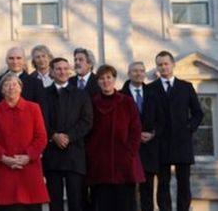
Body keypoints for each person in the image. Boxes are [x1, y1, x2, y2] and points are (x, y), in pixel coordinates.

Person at [0, 73, 49, 211]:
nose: (11, 88)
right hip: (4, 172)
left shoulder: (33, 108)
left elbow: (41, 137)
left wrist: (28, 156)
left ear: (21, 88)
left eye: (15, 84)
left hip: (29, 172)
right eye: (7, 84)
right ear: (1, 90)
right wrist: (3, 157)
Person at [85, 65, 144, 211]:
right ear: (98, 81)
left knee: (126, 204)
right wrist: (92, 153)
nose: (106, 81)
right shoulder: (92, 103)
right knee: (103, 204)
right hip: (100, 164)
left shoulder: (127, 102)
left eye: (108, 77)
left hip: (124, 164)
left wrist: (129, 152)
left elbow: (136, 129)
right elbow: (87, 130)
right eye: (102, 78)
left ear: (114, 79)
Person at [152, 51, 203, 211]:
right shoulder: (151, 88)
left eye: (166, 63)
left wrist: (189, 128)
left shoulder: (186, 87)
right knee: (163, 183)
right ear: (157, 67)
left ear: (173, 65)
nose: (163, 67)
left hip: (182, 142)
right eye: (160, 64)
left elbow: (198, 113)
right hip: (161, 142)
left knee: (184, 183)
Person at [43, 57, 93, 211]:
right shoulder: (44, 94)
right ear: (51, 72)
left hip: (74, 155)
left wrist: (68, 137)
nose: (62, 72)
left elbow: (87, 121)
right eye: (58, 68)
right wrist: (54, 136)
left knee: (76, 202)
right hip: (52, 155)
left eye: (65, 68)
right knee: (55, 202)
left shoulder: (81, 94)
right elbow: (40, 120)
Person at [121, 62, 165, 211]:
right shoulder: (121, 95)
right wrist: (134, 135)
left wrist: (153, 133)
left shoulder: (154, 95)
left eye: (141, 71)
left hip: (149, 148)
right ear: (128, 73)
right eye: (135, 71)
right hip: (129, 149)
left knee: (147, 191)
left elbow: (162, 120)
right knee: (128, 192)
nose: (138, 74)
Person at [0, 47, 46, 118]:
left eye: (18, 58)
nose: (15, 62)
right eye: (11, 58)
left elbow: (42, 112)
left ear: (24, 60)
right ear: (6, 60)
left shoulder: (36, 83)